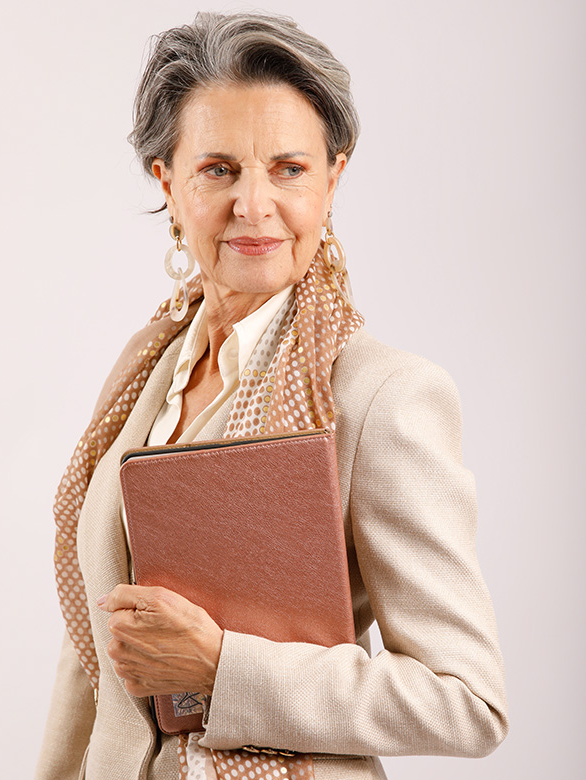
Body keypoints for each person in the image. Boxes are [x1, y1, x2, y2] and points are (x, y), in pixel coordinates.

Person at [35, 11, 508, 780]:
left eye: (288, 168)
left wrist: (224, 668)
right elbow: (92, 660)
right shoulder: (142, 372)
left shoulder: (382, 395)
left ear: (333, 177)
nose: (254, 206)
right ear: (168, 180)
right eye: (218, 169)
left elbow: (467, 701)